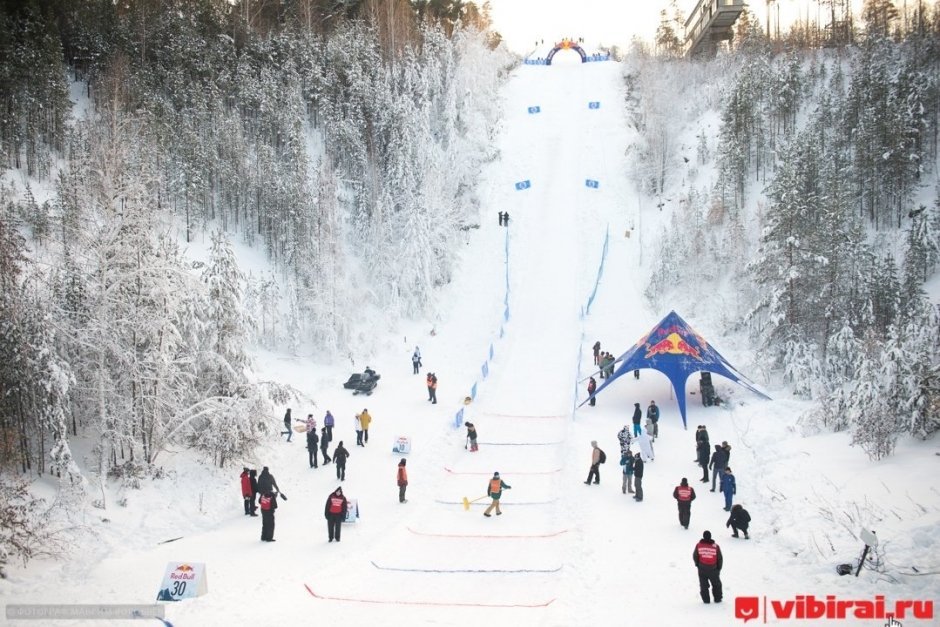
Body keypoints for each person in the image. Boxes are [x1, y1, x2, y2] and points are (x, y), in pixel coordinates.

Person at [693, 530, 723, 603]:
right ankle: (718, 598)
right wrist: (719, 568)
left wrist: (697, 564)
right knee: (716, 584)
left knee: (703, 585)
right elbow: (720, 558)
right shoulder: (715, 546)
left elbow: (695, 556)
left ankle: (706, 600)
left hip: (702, 568)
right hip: (713, 569)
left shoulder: (699, 545)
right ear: (710, 537)